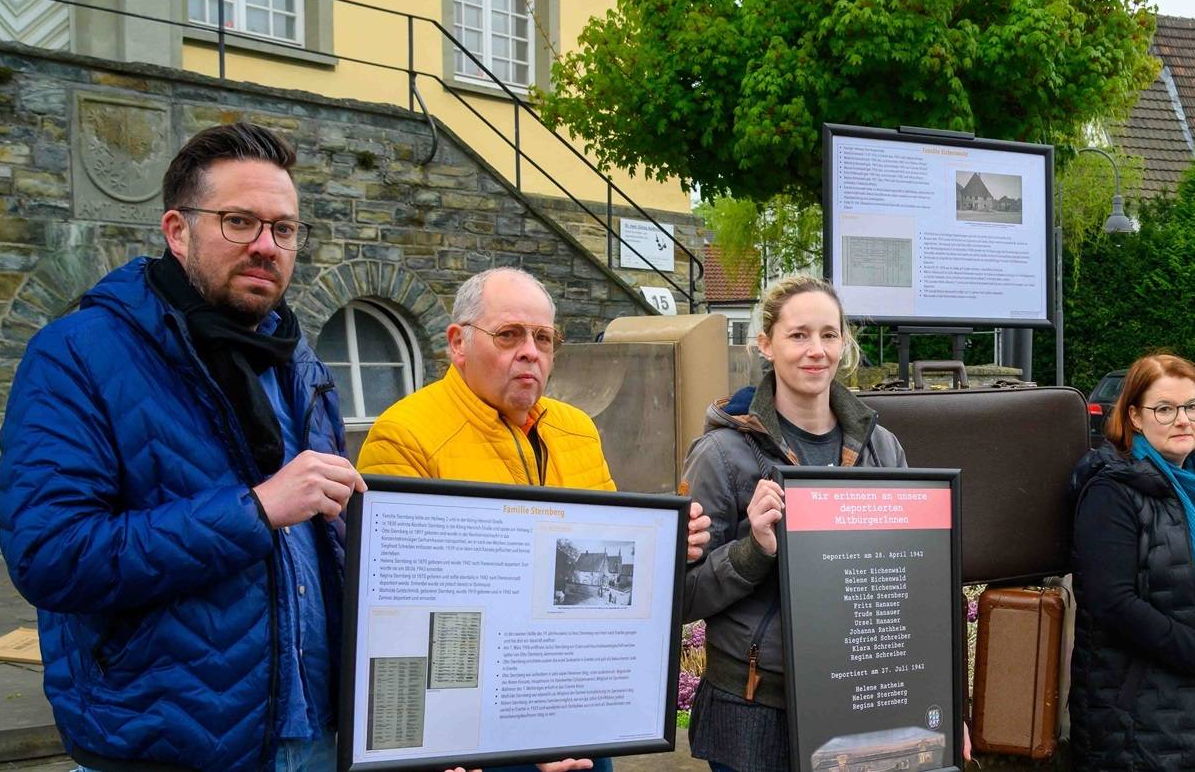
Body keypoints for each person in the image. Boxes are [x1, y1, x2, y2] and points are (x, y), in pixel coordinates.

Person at [0, 123, 362, 770]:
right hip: (166, 742)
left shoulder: (296, 357)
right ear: (177, 230)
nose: (266, 246)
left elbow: (314, 539)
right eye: (239, 221)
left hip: (314, 732)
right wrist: (253, 511)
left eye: (284, 229)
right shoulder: (77, 354)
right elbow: (50, 556)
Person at [360, 266, 712, 772]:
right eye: (509, 334)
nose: (530, 351)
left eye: (543, 337)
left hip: (575, 705)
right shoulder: (404, 435)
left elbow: (604, 564)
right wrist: (446, 741)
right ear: (458, 342)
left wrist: (665, 547)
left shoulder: (577, 429)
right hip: (469, 732)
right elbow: (399, 616)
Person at [679, 275, 910, 772]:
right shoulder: (721, 454)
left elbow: (915, 584)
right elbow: (681, 597)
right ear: (765, 343)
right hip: (755, 705)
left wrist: (939, 701)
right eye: (799, 334)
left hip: (861, 695)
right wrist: (753, 551)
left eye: (829, 335)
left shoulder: (882, 449)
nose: (816, 351)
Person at [1069, 353, 1195, 771]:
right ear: (1135, 417)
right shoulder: (1112, 491)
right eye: (1165, 409)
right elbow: (1114, 605)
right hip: (1143, 719)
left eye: (1193, 406)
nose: (1183, 419)